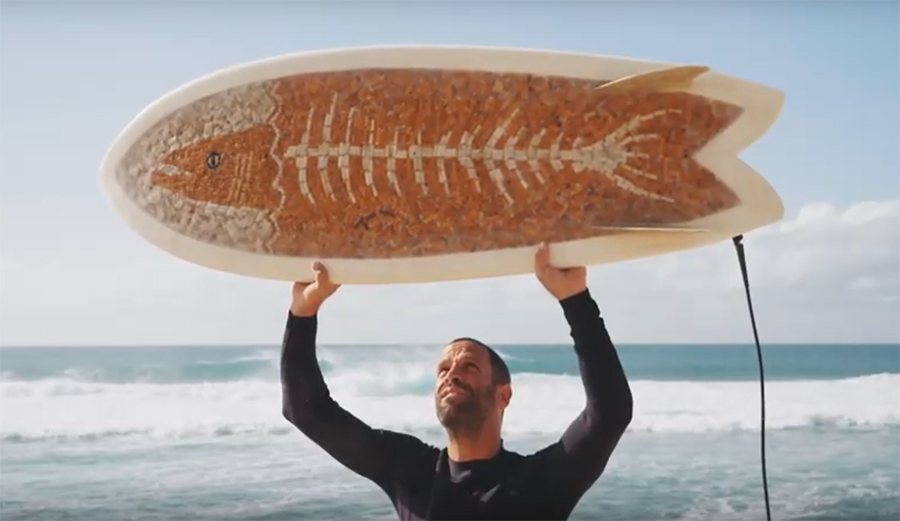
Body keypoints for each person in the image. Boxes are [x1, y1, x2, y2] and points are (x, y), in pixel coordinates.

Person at [280, 242, 634, 520]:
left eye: (469, 366)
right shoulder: (410, 470)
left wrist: (575, 300)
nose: (451, 374)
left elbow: (609, 413)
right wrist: (302, 312)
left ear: (503, 395)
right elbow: (305, 410)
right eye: (443, 369)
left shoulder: (539, 483)